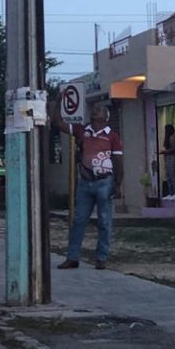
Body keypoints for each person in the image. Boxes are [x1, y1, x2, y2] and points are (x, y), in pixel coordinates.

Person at [58, 102, 121, 270]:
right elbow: (60, 124)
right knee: (78, 221)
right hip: (85, 183)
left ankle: (101, 258)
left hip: (105, 182)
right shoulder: (82, 130)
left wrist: (117, 184)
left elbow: (118, 160)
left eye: (99, 110)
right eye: (94, 109)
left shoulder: (112, 136)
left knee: (104, 222)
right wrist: (57, 105)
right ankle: (72, 257)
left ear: (106, 116)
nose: (95, 111)